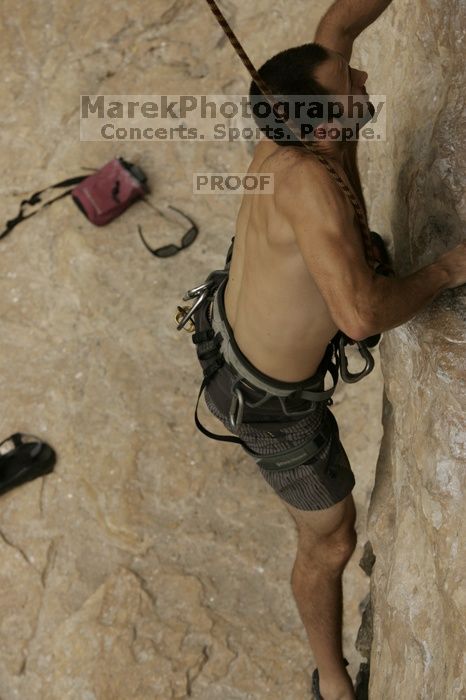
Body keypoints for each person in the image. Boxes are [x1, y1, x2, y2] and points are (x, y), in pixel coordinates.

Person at [199, 1, 466, 698]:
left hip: (234, 331)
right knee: (330, 541)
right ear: (324, 123)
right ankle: (331, 679)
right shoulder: (311, 183)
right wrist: (445, 270)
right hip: (272, 410)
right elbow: (358, 314)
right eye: (352, 90)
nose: (364, 80)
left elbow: (338, 28)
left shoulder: (304, 130)